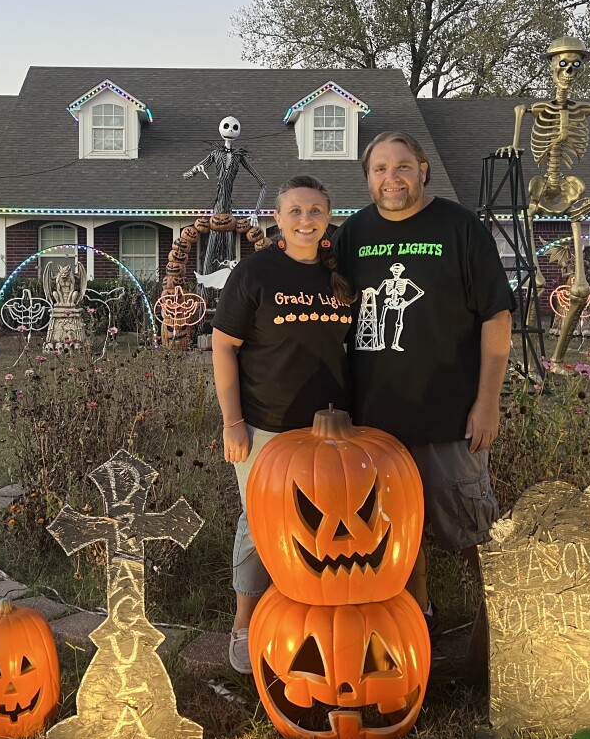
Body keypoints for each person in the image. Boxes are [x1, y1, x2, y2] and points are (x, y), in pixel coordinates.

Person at [332, 131, 513, 658]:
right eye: (380, 169)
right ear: (368, 178)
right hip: (375, 421)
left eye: (402, 167)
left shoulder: (460, 228)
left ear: (423, 169)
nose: (392, 179)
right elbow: (329, 307)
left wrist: (487, 401)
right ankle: (418, 622)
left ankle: (503, 617)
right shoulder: (353, 234)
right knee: (395, 535)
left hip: (450, 414)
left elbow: (496, 318)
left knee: (472, 522)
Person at [211, 175, 354, 674]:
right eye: (295, 211)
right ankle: (244, 623)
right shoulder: (255, 273)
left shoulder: (340, 275)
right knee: (260, 524)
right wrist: (233, 422)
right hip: (266, 425)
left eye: (315, 211)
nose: (305, 220)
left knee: (323, 523)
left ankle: (306, 614)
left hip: (332, 428)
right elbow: (224, 347)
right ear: (277, 218)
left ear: (327, 217)